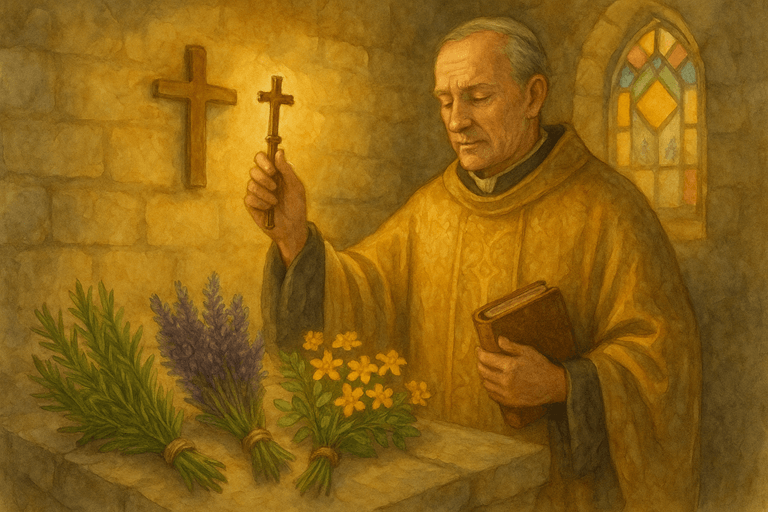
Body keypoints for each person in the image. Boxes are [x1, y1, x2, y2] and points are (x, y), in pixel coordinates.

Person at [244, 17, 701, 512]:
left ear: (532, 97)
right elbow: (360, 293)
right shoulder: (430, 209)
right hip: (439, 488)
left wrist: (562, 384)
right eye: (445, 101)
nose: (456, 120)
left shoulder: (609, 209)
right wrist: (293, 237)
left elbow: (663, 363)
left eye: (478, 97)